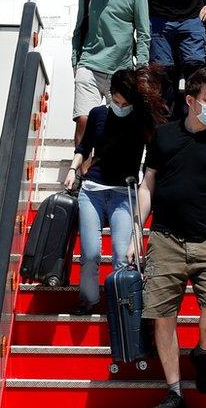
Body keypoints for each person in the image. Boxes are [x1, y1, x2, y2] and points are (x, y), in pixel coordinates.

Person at [130, 69, 206, 408]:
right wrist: (137, 231)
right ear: (190, 101)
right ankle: (174, 391)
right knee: (162, 317)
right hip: (165, 239)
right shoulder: (164, 137)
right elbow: (147, 186)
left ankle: (200, 350)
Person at [64, 66, 168, 315]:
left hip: (124, 192)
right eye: (117, 101)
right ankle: (88, 300)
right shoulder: (99, 114)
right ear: (110, 95)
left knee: (122, 255)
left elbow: (154, 155)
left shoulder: (142, 120)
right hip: (92, 190)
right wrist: (72, 169)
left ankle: (122, 304)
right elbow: (85, 147)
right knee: (90, 253)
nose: (121, 106)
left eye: (126, 102)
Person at [71, 0, 151, 145]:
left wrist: (141, 68)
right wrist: (75, 61)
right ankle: (81, 173)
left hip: (121, 70)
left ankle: (106, 172)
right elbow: (79, 28)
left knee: (116, 125)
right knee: (83, 120)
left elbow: (143, 33)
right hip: (89, 65)